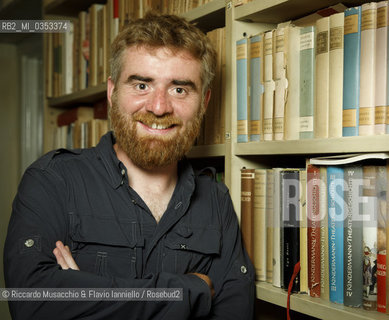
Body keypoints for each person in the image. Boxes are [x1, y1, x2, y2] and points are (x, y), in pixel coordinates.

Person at [4, 12, 255, 319]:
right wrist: (189, 292)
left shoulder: (216, 203)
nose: (159, 107)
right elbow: (34, 306)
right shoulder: (53, 181)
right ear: (112, 93)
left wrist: (88, 296)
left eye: (179, 89)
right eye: (141, 86)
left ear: (203, 102)